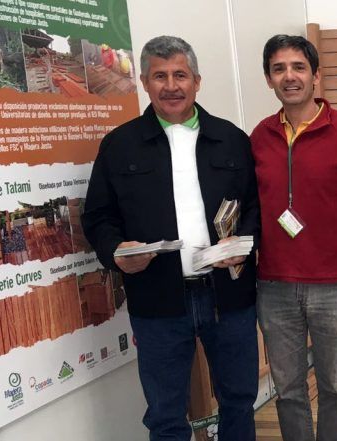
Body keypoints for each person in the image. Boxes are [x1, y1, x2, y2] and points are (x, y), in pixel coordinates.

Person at [81, 35, 260, 440]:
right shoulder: (119, 145)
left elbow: (255, 206)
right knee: (165, 416)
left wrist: (244, 245)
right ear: (145, 82)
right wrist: (115, 252)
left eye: (180, 75)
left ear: (197, 81)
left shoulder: (231, 138)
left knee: (238, 401)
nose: (171, 85)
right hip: (156, 299)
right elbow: (98, 216)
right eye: (160, 76)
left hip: (228, 297)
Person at [250, 34, 337, 441]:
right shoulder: (259, 136)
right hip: (274, 286)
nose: (289, 76)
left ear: (316, 76)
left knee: (334, 386)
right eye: (279, 69)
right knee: (288, 390)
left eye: (298, 67)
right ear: (268, 79)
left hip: (334, 285)